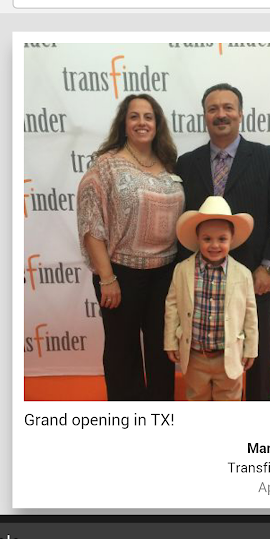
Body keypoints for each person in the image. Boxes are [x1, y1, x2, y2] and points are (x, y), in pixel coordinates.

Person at [176, 84, 270, 401]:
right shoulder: (186, 163)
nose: (221, 114)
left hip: (256, 277)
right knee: (206, 356)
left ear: (241, 113)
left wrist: (268, 267)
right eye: (213, 108)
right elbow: (181, 221)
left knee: (257, 352)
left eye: (228, 107)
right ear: (204, 116)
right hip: (201, 281)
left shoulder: (268, 158)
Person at [77, 95, 184, 401]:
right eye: (134, 116)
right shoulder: (106, 165)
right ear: (123, 124)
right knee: (122, 351)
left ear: (157, 124)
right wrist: (107, 277)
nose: (141, 122)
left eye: (148, 117)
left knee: (162, 350)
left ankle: (161, 413)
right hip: (120, 275)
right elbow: (91, 223)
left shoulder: (169, 163)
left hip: (165, 274)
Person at [164, 197, 258, 401]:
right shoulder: (182, 270)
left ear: (231, 239)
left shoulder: (243, 274)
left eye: (222, 239)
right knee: (196, 398)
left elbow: (250, 314)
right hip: (195, 356)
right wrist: (170, 342)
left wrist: (251, 348)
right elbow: (172, 306)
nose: (214, 245)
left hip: (229, 356)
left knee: (229, 400)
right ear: (197, 238)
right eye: (207, 239)